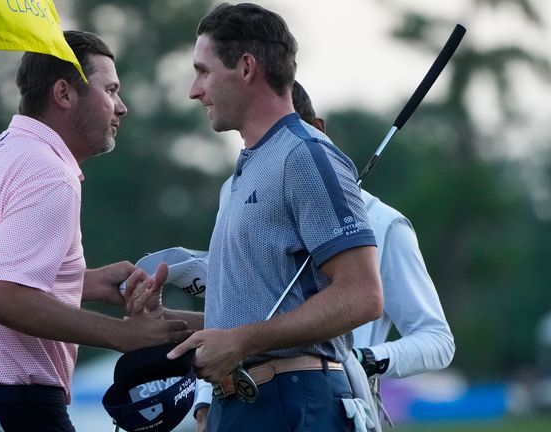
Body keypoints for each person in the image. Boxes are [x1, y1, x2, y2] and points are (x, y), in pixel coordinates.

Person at [0, 30, 192, 432]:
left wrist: (87, 284)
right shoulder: (50, 174)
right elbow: (2, 298)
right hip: (10, 405)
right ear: (64, 93)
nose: (121, 107)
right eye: (110, 90)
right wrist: (124, 335)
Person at [166, 3, 384, 431]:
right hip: (246, 403)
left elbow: (363, 294)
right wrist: (171, 329)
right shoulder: (250, 165)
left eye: (204, 71)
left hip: (294, 401)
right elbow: (258, 307)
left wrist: (242, 341)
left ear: (246, 67)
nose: (194, 90)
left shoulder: (305, 154)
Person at [192, 81, 456, 431]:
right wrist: (204, 406)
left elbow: (437, 339)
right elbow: (229, 318)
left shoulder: (384, 223)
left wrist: (367, 358)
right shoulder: (235, 192)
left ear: (315, 131)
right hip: (241, 406)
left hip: (333, 402)